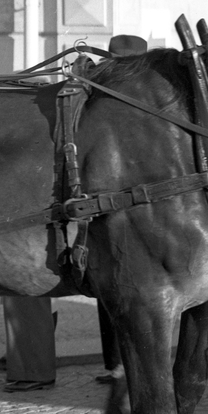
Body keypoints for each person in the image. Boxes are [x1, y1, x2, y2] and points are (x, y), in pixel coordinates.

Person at [92, 33, 148, 383]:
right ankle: (115, 364)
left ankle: (125, 364)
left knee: (127, 290)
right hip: (110, 202)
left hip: (133, 205)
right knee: (110, 289)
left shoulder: (127, 95)